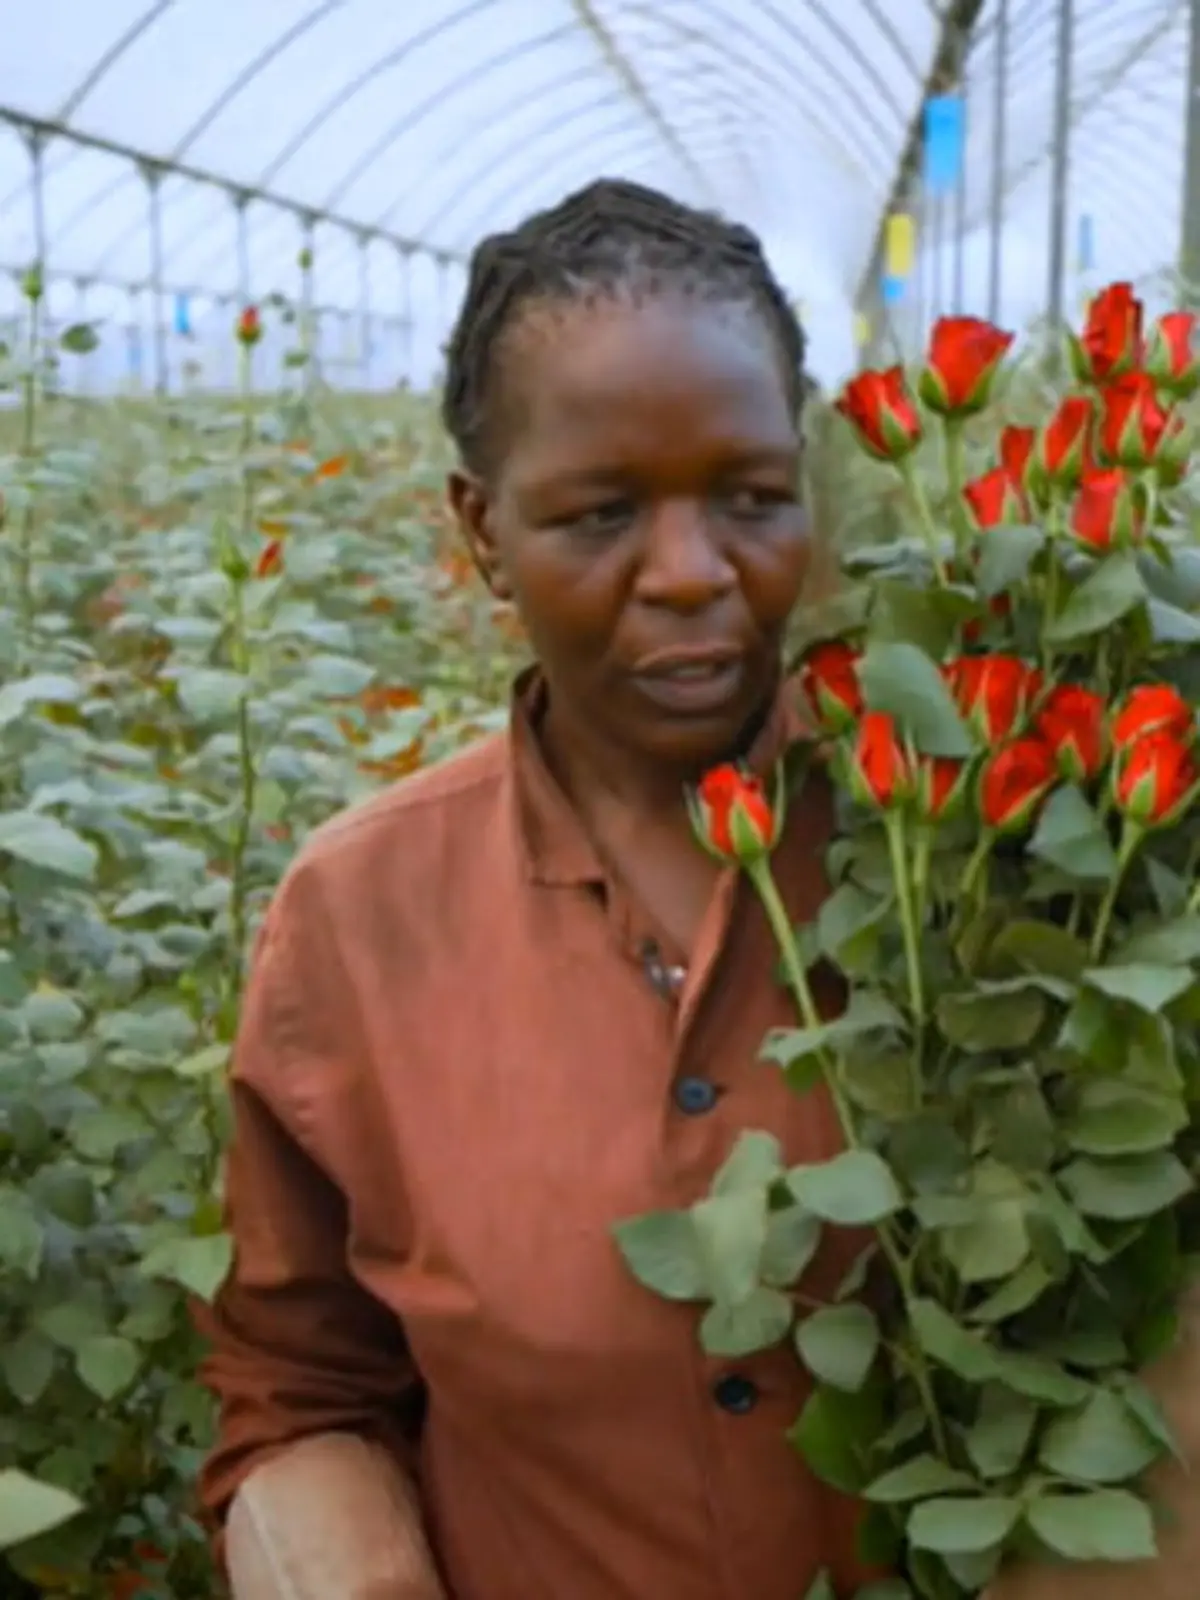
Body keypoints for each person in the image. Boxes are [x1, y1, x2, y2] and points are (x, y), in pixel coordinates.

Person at [197, 178, 1200, 1600]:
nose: (690, 574)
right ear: (481, 530)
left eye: (750, 497)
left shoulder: (997, 857)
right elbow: (296, 1388)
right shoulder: (360, 922)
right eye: (600, 514)